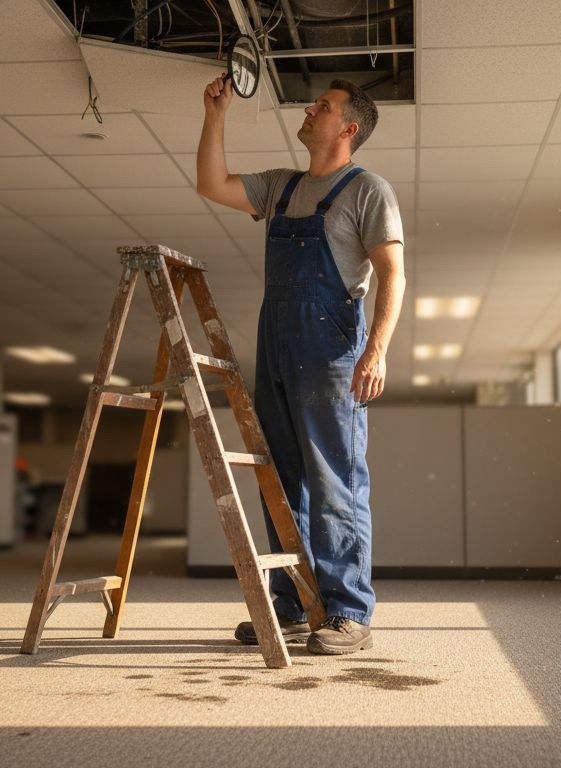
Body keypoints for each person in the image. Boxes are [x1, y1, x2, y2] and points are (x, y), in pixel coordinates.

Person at [196, 76, 406, 655]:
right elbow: (211, 184)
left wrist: (377, 348)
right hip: (279, 344)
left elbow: (393, 276)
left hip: (332, 348)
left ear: (348, 128)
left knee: (335, 480)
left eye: (324, 106)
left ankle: (348, 612)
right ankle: (292, 605)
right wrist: (215, 117)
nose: (310, 109)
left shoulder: (368, 190)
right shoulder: (281, 188)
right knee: (280, 482)